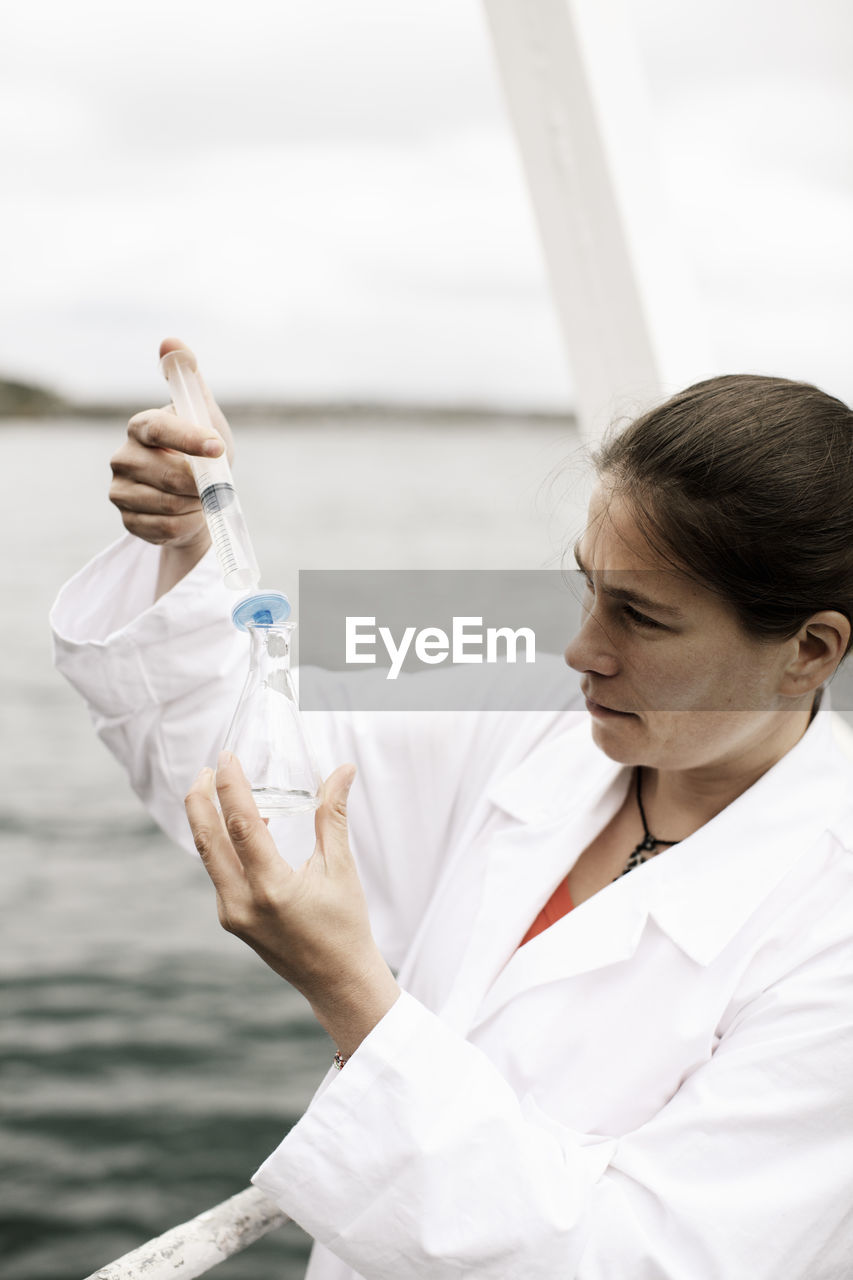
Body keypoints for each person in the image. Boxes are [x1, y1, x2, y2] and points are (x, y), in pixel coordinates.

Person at [51, 339, 853, 1280]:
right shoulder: (529, 726)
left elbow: (635, 1259)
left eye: (640, 617)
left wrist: (353, 995)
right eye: (587, 589)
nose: (580, 650)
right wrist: (192, 544)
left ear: (810, 649)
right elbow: (244, 763)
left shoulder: (827, 920)